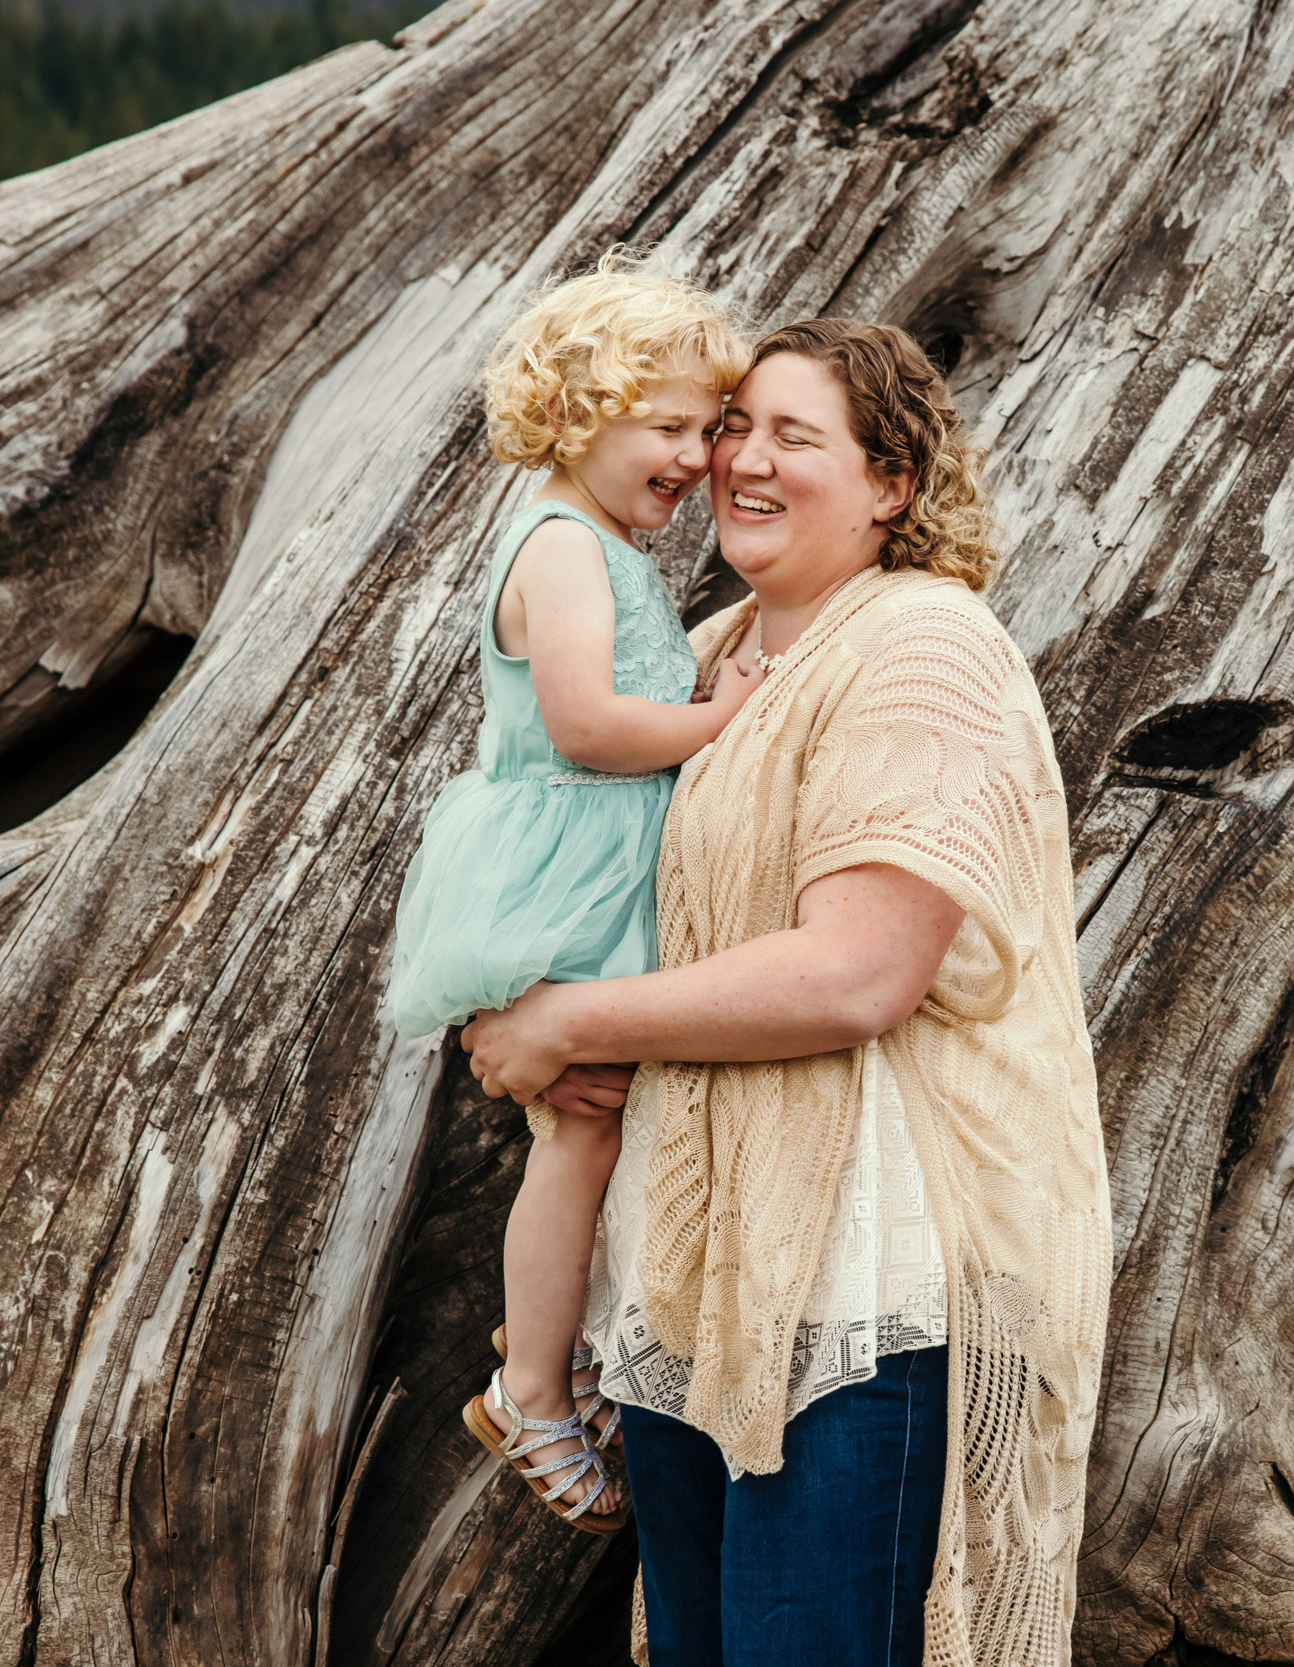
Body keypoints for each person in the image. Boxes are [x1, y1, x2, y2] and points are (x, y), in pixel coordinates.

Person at [462, 319, 1114, 1667]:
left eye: (794, 437)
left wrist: (566, 1025)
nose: (742, 460)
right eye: (733, 427)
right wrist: (502, 999)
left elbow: (857, 970)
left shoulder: (922, 648)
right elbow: (575, 861)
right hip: (704, 1274)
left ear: (893, 484)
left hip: (868, 1291)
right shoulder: (708, 660)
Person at [386, 249, 759, 1531]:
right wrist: (718, 720)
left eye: (709, 429)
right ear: (576, 412)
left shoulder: (602, 544)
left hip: (600, 868)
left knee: (615, 1123)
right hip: (561, 873)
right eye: (667, 425)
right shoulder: (558, 547)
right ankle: (534, 1383)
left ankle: (570, 1345)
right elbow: (591, 724)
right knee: (584, 1123)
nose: (698, 456)